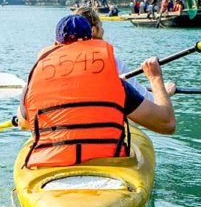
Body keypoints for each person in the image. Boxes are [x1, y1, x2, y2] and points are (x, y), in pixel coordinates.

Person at [16, 15, 176, 168]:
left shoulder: (33, 82)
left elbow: (23, 124)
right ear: (91, 40)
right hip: (107, 163)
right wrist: (155, 78)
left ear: (56, 44)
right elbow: (167, 124)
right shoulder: (116, 85)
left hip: (49, 165)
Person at [73, 6, 177, 102]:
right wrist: (161, 88)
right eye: (100, 26)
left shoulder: (67, 61)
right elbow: (148, 101)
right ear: (93, 30)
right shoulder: (110, 61)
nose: (103, 30)